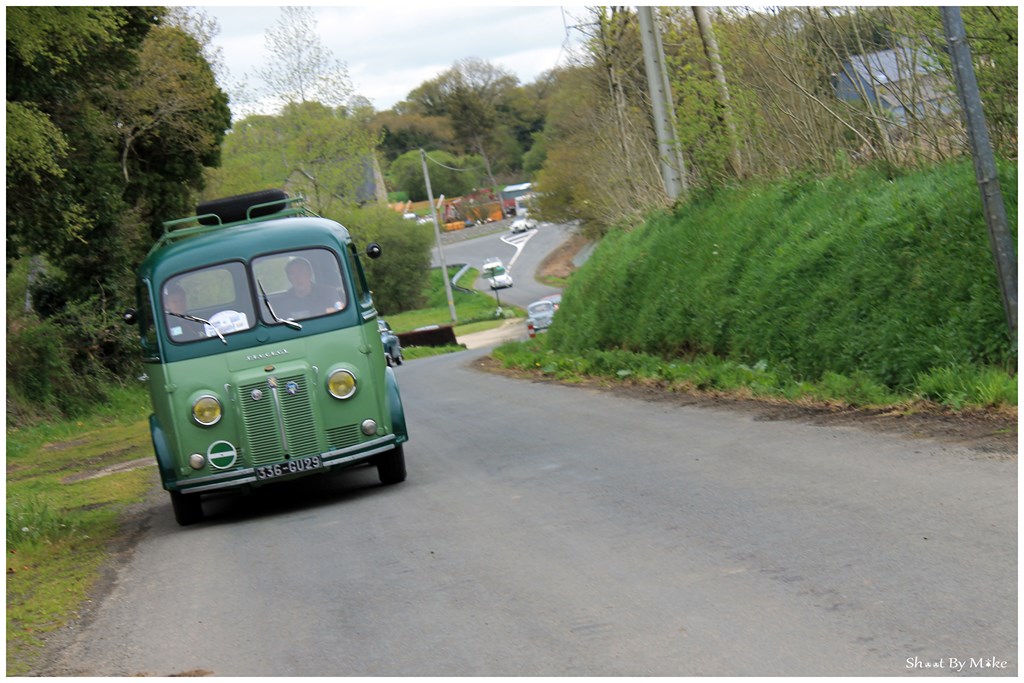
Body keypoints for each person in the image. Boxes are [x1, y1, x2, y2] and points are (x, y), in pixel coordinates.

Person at [275, 257, 342, 321]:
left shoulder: (328, 292)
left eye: (301, 272)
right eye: (292, 274)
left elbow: (340, 311)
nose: (298, 277)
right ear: (289, 278)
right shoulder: (283, 301)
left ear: (309, 274)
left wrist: (328, 312)